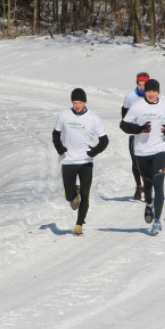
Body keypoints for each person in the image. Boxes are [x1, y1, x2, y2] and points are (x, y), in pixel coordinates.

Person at [119, 78, 165, 235]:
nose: (151, 94)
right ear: (144, 91)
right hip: (141, 151)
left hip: (160, 149)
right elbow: (123, 125)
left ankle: (157, 221)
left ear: (158, 91)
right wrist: (139, 129)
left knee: (158, 183)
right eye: (148, 91)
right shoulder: (137, 106)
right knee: (148, 184)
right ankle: (149, 203)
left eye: (154, 91)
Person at [52, 88, 109, 235]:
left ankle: (79, 224)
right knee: (69, 196)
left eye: (80, 102)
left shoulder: (93, 118)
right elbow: (56, 134)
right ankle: (72, 194)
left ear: (85, 102)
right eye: (75, 102)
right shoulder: (64, 115)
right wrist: (60, 148)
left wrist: (94, 151)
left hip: (85, 161)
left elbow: (104, 140)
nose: (77, 105)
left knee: (85, 193)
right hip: (68, 160)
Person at [121, 71, 150, 200]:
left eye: (144, 84)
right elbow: (124, 117)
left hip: (149, 135)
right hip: (134, 134)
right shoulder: (130, 97)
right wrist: (135, 127)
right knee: (136, 162)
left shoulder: (153, 95)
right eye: (139, 84)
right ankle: (139, 186)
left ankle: (148, 187)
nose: (142, 87)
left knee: (148, 163)